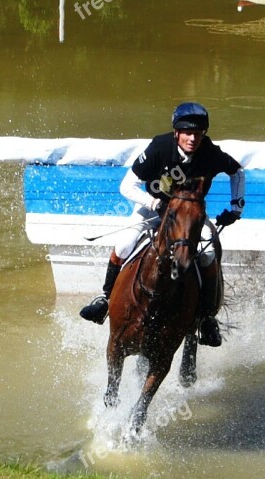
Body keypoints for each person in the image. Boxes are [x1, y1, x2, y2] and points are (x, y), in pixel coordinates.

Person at [79, 102, 246, 347]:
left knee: (209, 254)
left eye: (198, 134)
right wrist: (153, 201)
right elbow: (126, 186)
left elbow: (237, 172)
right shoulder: (159, 147)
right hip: (153, 209)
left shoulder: (210, 152)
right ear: (177, 133)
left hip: (189, 216)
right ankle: (105, 300)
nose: (192, 139)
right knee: (124, 245)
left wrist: (236, 208)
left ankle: (207, 318)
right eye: (187, 133)